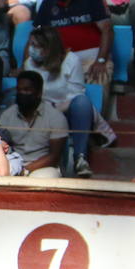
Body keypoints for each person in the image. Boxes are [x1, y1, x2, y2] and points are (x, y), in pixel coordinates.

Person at [21, 25, 94, 177]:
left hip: (66, 108)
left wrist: (56, 110)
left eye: (37, 46)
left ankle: (80, 158)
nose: (32, 49)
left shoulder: (71, 60)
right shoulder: (29, 64)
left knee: (82, 103)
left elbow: (76, 93)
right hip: (39, 111)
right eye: (31, 45)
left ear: (49, 47)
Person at [34, 0, 113, 83]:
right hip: (57, 61)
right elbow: (37, 35)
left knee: (100, 77)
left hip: (90, 60)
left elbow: (107, 30)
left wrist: (101, 60)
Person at [0, 70, 69, 176]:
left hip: (44, 167)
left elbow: (55, 156)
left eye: (26, 90)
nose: (22, 94)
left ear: (39, 93)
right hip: (14, 163)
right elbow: (2, 146)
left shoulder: (56, 117)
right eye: (19, 90)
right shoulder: (7, 115)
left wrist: (26, 170)